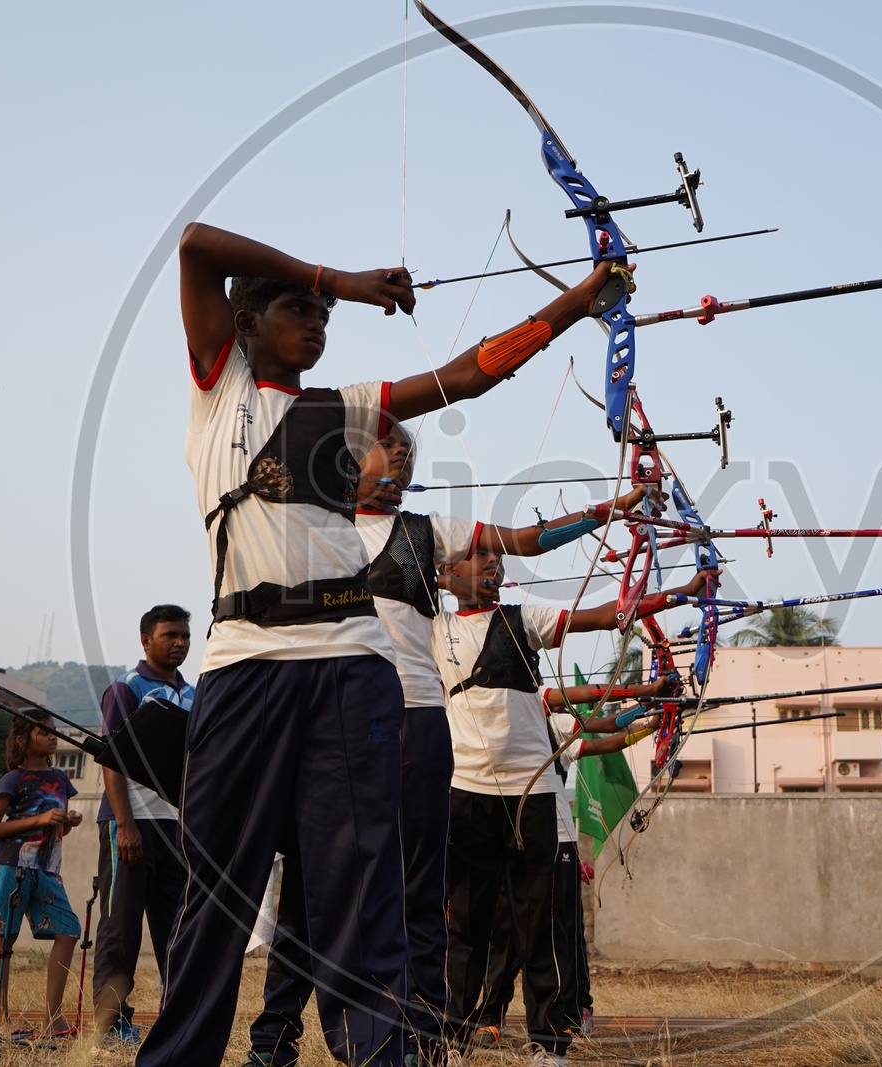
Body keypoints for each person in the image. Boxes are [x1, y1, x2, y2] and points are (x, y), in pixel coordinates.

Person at [139, 222, 624, 1067]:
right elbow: (196, 247)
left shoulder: (343, 407)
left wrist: (580, 304)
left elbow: (468, 374)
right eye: (299, 308)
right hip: (245, 662)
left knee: (364, 892)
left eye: (326, 311)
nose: (320, 320)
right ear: (242, 323)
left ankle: (382, 1055)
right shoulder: (220, 384)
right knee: (217, 888)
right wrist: (343, 277)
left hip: (351, 667)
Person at [245, 425, 644, 1067]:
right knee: (310, 884)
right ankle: (274, 1040)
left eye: (409, 447)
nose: (403, 451)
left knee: (422, 889)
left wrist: (605, 512)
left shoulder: (427, 532)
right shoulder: (318, 528)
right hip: (336, 721)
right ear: (351, 457)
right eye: (388, 442)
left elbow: (522, 540)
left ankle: (424, 1040)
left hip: (416, 722)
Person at [434, 539, 709, 1066]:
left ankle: (549, 1045)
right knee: (466, 923)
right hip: (467, 791)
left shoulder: (524, 618)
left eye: (498, 556)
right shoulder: (431, 629)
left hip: (533, 792)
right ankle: (453, 1039)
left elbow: (608, 615)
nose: (494, 561)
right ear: (446, 572)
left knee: (540, 924)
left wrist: (681, 594)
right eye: (478, 555)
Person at [475, 701, 659, 1049]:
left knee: (561, 936)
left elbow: (602, 731)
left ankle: (570, 1016)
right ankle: (489, 1018)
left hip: (554, 840)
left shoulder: (549, 720)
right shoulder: (492, 719)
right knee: (503, 935)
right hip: (506, 837)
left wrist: (648, 719)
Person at [91, 605, 195, 1045]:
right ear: (145, 640)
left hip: (177, 828)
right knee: (121, 927)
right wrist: (125, 824)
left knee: (178, 930)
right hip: (131, 824)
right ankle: (110, 1026)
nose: (180, 643)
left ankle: (178, 1024)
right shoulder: (126, 689)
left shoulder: (195, 695)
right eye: (170, 635)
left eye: (185, 636)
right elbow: (110, 760)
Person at [0, 714, 85, 1039]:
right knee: (4, 938)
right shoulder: (13, 779)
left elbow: (57, 830)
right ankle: (0, 1021)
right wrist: (40, 818)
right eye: (44, 731)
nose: (54, 736)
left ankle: (52, 1020)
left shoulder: (60, 779)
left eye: (55, 731)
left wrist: (67, 821)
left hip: (47, 869)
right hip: (11, 866)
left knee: (68, 932)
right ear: (24, 740)